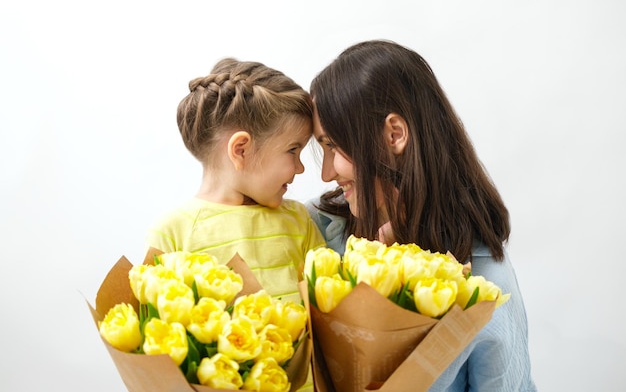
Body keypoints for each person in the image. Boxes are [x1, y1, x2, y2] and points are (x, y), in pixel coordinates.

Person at [306, 40, 536, 391]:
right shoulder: (315, 233)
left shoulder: (486, 286)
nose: (326, 173)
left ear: (394, 135)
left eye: (333, 146)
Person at [146, 57, 326, 307]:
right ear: (241, 150)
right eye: (293, 150)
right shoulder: (173, 233)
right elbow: (159, 329)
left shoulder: (299, 222)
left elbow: (328, 310)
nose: (300, 167)